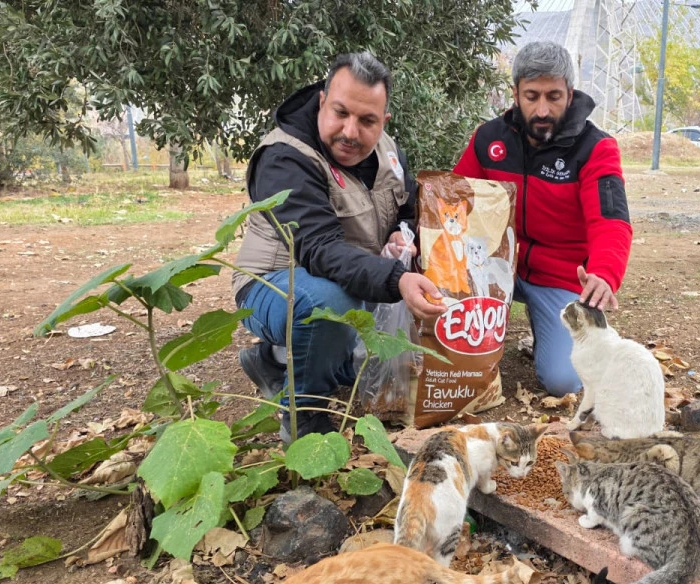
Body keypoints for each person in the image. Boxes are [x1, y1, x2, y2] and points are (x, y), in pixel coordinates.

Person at [232, 51, 445, 442]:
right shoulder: (284, 158)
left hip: (351, 280)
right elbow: (319, 248)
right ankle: (305, 416)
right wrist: (397, 280)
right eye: (340, 113)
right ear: (321, 102)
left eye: (367, 121)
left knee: (376, 361)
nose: (350, 132)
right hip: (274, 285)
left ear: (384, 121)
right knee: (330, 307)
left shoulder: (387, 151)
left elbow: (407, 204)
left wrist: (401, 233)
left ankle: (273, 360)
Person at [453, 41, 632, 397]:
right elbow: (454, 199)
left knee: (562, 382)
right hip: (495, 266)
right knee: (455, 348)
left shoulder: (596, 148)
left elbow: (610, 220)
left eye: (554, 96)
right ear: (515, 93)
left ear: (570, 92)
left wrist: (605, 272)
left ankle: (556, 324)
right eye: (532, 96)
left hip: (559, 276)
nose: (543, 109)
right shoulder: (488, 139)